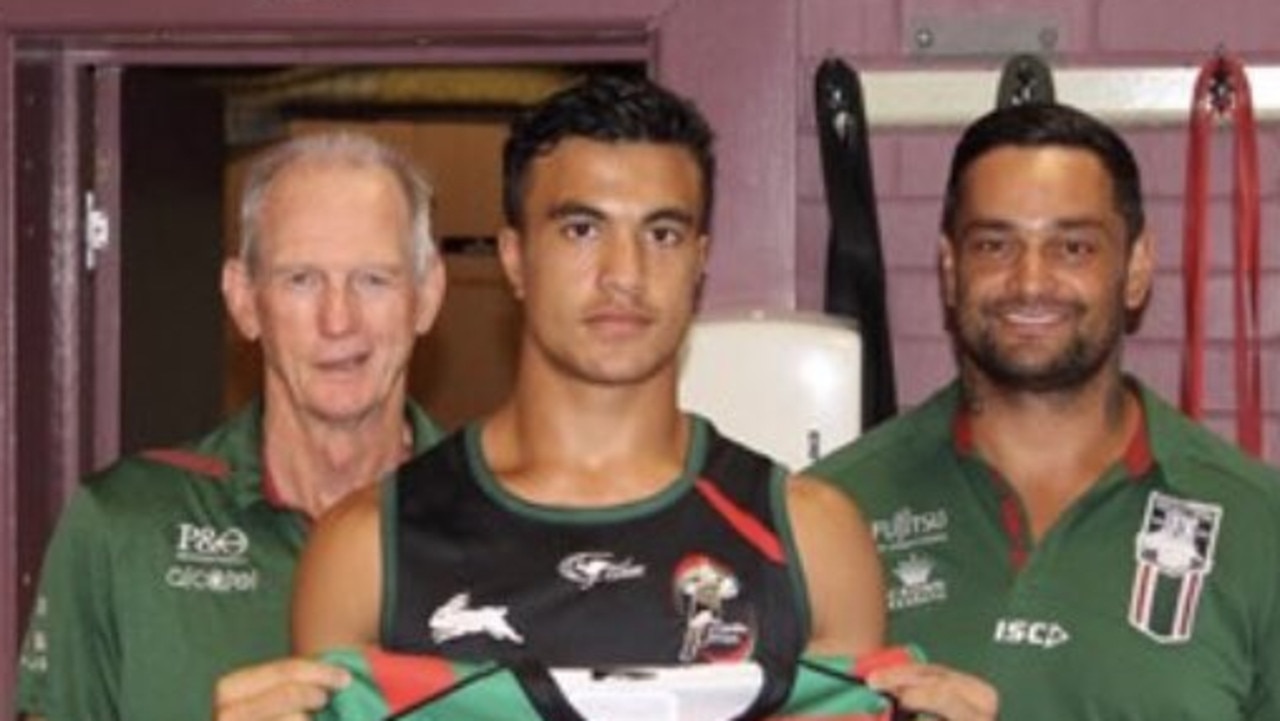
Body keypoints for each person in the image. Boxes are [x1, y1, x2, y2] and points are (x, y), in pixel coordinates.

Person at [291, 75, 996, 721]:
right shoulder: (367, 548)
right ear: (513, 257)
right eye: (581, 229)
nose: (623, 274)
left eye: (662, 233)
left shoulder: (811, 539)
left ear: (700, 260)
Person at [807, 102, 1280, 720]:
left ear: (1135, 269)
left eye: (1074, 247)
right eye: (994, 244)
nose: (1030, 281)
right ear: (951, 269)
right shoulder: (832, 510)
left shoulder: (1259, 524)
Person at [16, 131, 448, 721]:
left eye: (374, 279)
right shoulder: (122, 527)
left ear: (426, 296)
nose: (338, 319)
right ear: (244, 300)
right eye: (301, 279)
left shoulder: (508, 525)